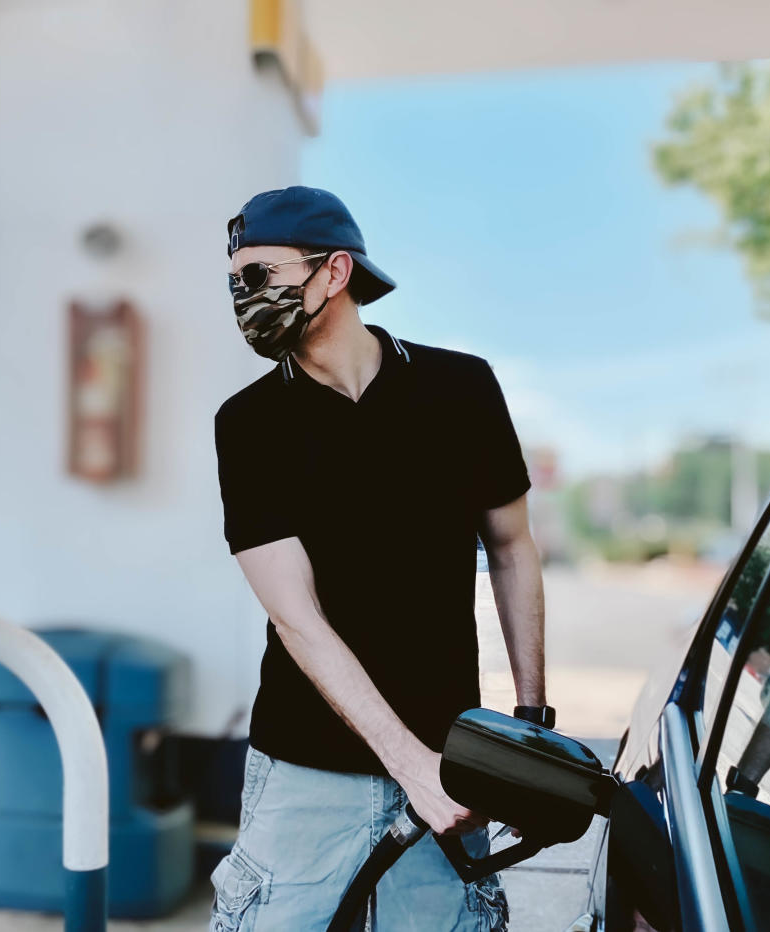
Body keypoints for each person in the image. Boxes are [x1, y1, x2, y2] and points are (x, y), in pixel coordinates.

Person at [210, 186, 551, 931]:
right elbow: (296, 618)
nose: (244, 296)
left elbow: (512, 548)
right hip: (304, 769)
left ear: (334, 271)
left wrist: (532, 721)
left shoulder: (460, 388)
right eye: (235, 281)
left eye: (261, 275)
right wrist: (407, 764)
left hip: (449, 758)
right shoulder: (248, 424)